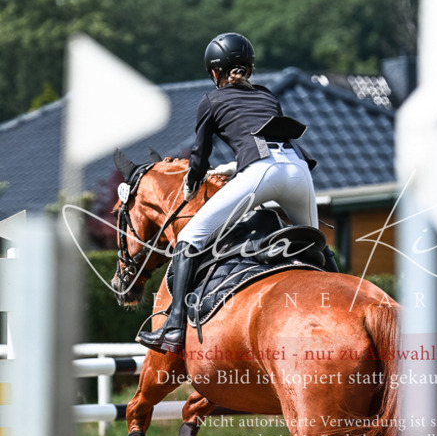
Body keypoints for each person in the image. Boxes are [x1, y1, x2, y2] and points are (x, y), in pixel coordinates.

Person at [137, 32, 337, 355]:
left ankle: (173, 328)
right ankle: (343, 298)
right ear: (249, 68)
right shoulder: (268, 95)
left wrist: (190, 187)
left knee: (188, 238)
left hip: (262, 174)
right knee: (316, 244)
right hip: (298, 171)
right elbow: (264, 139)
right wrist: (233, 168)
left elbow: (199, 159)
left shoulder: (211, 100)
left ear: (215, 72)